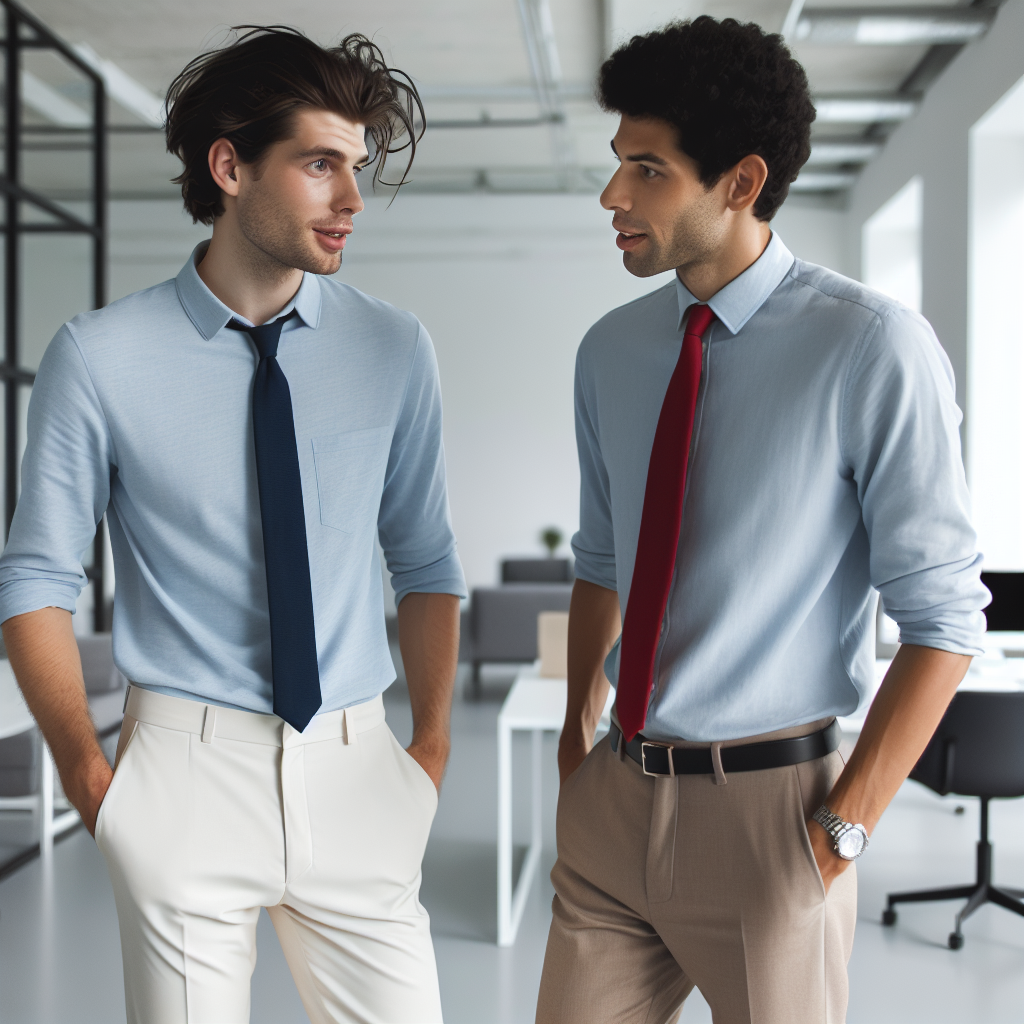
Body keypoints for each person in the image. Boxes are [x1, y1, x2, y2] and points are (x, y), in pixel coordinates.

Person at [0, 28, 464, 1024]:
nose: (351, 199)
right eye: (319, 165)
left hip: (358, 772)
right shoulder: (99, 356)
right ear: (229, 166)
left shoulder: (393, 348)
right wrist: (95, 781)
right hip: (182, 778)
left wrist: (425, 755)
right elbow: (35, 579)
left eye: (358, 168)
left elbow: (424, 558)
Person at [536, 17, 988, 1024]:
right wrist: (577, 745)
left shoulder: (870, 348)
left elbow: (944, 618)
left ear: (739, 182)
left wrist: (843, 830)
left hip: (774, 817)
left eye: (646, 170)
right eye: (618, 164)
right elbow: (602, 561)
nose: (611, 196)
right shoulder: (609, 350)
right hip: (615, 804)